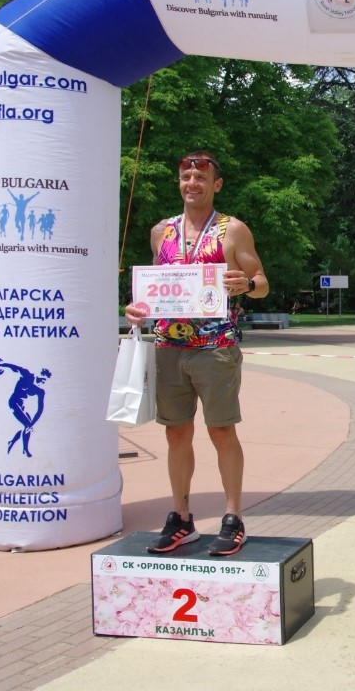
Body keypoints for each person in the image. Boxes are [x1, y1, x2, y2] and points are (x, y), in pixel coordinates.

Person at [125, 151, 269, 557]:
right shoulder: (161, 232)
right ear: (179, 183)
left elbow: (261, 282)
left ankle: (233, 517)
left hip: (215, 346)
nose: (192, 183)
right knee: (176, 433)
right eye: (186, 177)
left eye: (201, 178)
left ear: (215, 185)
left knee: (221, 431)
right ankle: (181, 517)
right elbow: (155, 286)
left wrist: (247, 285)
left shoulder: (232, 230)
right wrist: (137, 308)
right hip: (169, 346)